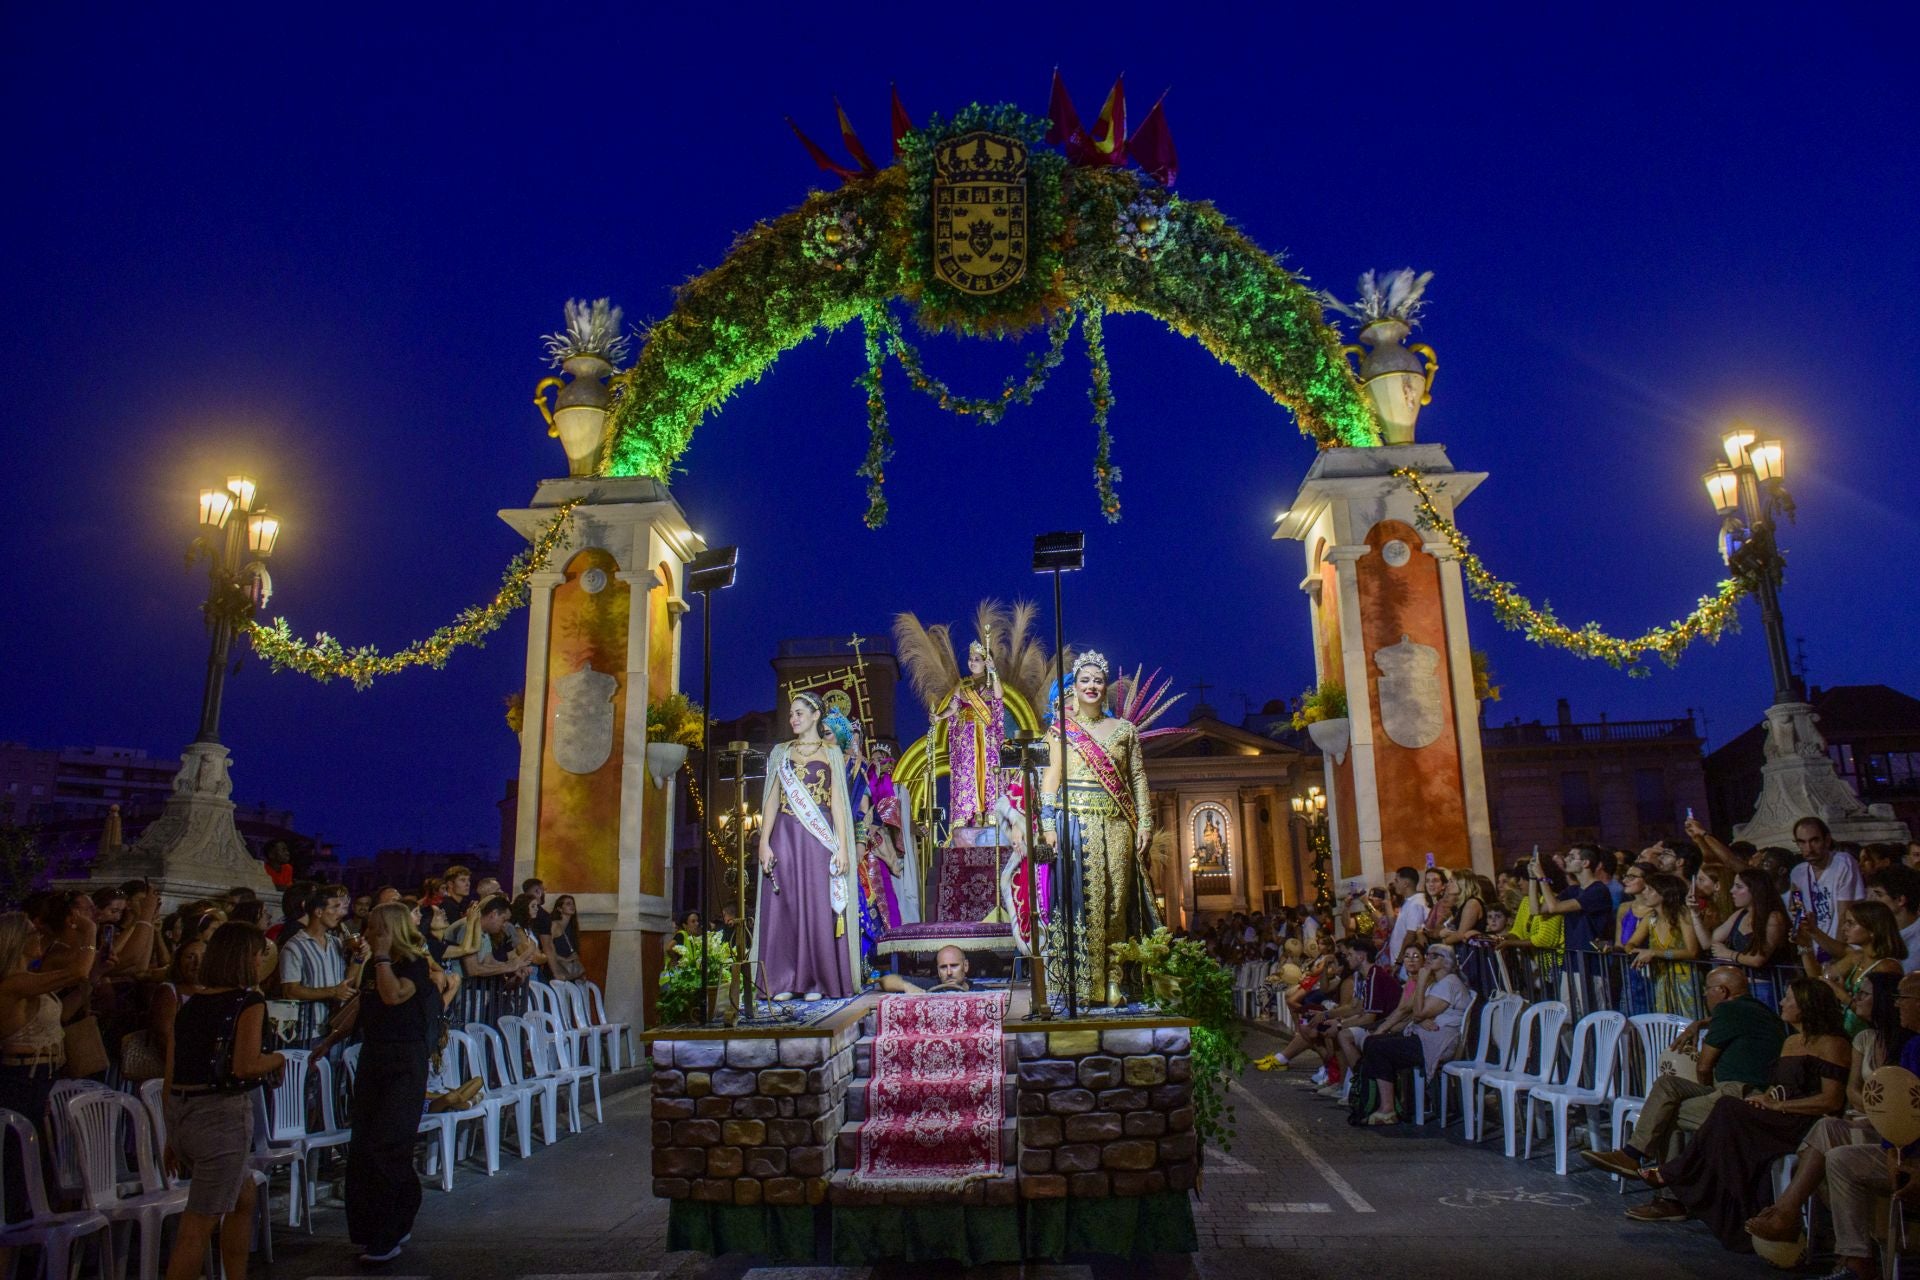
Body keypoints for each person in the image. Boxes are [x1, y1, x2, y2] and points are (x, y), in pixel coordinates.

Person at [1625, 977, 1849, 1247]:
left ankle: (1677, 1174)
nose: (1781, 1002)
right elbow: (1779, 1087)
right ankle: (1697, 1188)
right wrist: (1765, 1099)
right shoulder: (1791, 1041)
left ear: (1806, 1005)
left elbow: (1831, 1101)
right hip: (1777, 1114)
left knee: (1727, 1108)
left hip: (1803, 1121)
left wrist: (1780, 1106)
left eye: (1788, 998)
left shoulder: (1832, 1044)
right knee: (1729, 1112)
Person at [1744, 969, 1910, 1245]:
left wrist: (1875, 1105)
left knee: (1831, 1143)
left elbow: (1893, 1100)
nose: (1855, 999)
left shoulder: (1908, 1045)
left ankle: (1788, 1215)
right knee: (1827, 1127)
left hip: (1891, 1132)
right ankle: (1786, 1215)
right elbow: (1853, 1091)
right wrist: (1874, 1103)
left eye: (1864, 994)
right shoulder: (1865, 1039)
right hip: (1862, 1119)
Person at [161, 922, 284, 1280]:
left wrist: (171, 1131)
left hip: (185, 1114)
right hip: (220, 1116)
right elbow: (245, 1065)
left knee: (243, 1195)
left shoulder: (191, 1004)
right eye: (261, 953)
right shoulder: (247, 1001)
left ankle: (236, 1274)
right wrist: (277, 1060)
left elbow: (173, 1071)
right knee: (197, 1225)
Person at [1037, 651, 1158, 1008]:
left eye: (1097, 680)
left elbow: (1137, 778)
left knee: (1116, 903)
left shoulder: (1124, 731)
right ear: (1073, 687)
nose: (1091, 685)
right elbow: (1050, 779)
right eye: (1084, 680)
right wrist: (1047, 825)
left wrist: (1145, 822)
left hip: (1118, 824)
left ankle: (1114, 980)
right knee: (1081, 904)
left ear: (1106, 688)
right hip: (1073, 824)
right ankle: (1080, 982)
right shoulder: (1060, 731)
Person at [1582, 966, 1788, 1175]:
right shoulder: (1761, 1012)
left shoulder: (1728, 1010)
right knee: (1667, 1084)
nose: (1704, 994)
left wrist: (1705, 1085)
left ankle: (1664, 1191)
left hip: (1738, 1095)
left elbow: (1704, 1065)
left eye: (1707, 989)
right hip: (1740, 1090)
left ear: (1722, 991)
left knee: (1667, 1112)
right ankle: (1633, 1157)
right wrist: (1700, 1022)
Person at [346, 903, 455, 1267]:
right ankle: (380, 1223)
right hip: (374, 1057)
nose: (370, 932)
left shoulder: (414, 964)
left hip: (404, 1061)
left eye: (377, 927)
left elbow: (393, 995)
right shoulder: (374, 966)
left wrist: (379, 958)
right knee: (364, 1143)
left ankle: (387, 1234)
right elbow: (362, 1006)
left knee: (388, 1143)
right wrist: (328, 1041)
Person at [0, 910, 94, 1223]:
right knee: (17, 1171)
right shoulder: (14, 983)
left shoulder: (32, 981)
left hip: (45, 1078)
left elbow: (61, 1015)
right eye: (31, 933)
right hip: (22, 1081)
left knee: (43, 1171)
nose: (39, 937)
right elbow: (78, 970)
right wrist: (89, 932)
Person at [1353, 943, 1471, 1125]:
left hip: (1436, 1043)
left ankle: (1388, 1109)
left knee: (1376, 1046)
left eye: (1435, 955)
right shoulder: (1441, 983)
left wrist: (1422, 983)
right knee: (1373, 1042)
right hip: (1423, 1036)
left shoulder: (1449, 983)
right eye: (1429, 954)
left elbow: (1417, 1013)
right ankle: (1378, 1103)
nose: (1429, 958)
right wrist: (1420, 1019)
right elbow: (1418, 1014)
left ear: (1446, 961)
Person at [278, 883, 365, 1048]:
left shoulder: (335, 943)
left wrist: (358, 958)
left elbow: (347, 983)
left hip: (333, 1028)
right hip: (307, 1032)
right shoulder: (294, 946)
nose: (340, 913)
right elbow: (290, 990)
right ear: (318, 912)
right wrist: (333, 992)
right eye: (334, 907)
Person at [1805, 900, 1906, 1034]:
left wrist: (1841, 995)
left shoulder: (1887, 967)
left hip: (1871, 1040)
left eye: (1851, 923)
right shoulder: (1857, 957)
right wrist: (1804, 945)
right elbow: (1818, 979)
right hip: (1849, 1036)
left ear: (1873, 929)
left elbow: (1878, 1016)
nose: (1843, 928)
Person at [940, 638, 1006, 827]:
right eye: (970, 658)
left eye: (977, 658)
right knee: (969, 773)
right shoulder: (963, 685)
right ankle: (973, 812)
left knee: (986, 772)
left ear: (985, 662)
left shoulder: (991, 681)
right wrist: (939, 716)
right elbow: (953, 707)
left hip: (986, 736)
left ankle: (988, 812)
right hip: (967, 736)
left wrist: (993, 672)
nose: (972, 662)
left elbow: (999, 696)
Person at [1788, 815, 1866, 961]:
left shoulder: (1843, 862)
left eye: (1814, 840)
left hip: (1844, 952)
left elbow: (1844, 913)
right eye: (1802, 842)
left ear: (1827, 840)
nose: (1808, 849)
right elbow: (1797, 909)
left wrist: (1836, 955)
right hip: (1815, 951)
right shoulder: (1798, 873)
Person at [1866, 864, 1920, 972]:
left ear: (1900, 900)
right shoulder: (1877, 928)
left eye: (1879, 895)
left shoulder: (1917, 942)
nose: (1871, 900)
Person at [878, 945, 975, 993]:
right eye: (943, 967)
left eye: (954, 966)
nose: (949, 972)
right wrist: (907, 986)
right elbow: (885, 980)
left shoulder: (979, 990)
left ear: (965, 966)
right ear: (938, 971)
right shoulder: (928, 985)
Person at [1385, 867, 1428, 964]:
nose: (1394, 884)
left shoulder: (1416, 903)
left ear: (1406, 883)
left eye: (1397, 880)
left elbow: (1411, 935)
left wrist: (1399, 961)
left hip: (1406, 963)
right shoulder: (1409, 902)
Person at [543, 894, 585, 980]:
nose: (572, 906)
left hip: (568, 972)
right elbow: (547, 947)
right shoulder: (554, 925)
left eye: (573, 904)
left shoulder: (571, 928)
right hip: (555, 970)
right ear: (559, 908)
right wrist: (566, 959)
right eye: (568, 904)